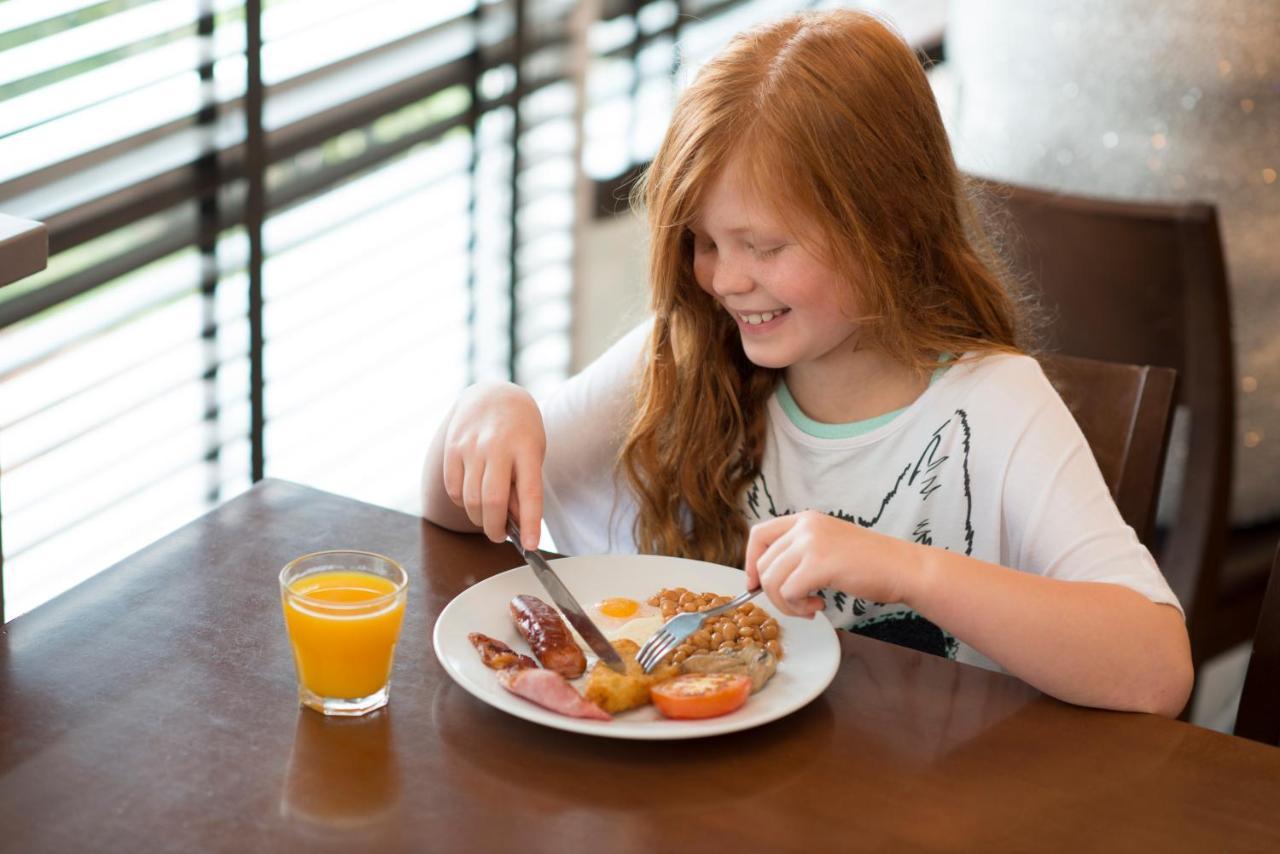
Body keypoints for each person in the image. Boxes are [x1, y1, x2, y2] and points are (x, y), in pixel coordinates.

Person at [422, 10, 1193, 717]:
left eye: (763, 246)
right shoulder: (685, 351)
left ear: (888, 228)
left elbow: (1157, 669)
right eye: (705, 241)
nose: (724, 279)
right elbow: (462, 512)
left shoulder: (993, 405)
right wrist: (487, 407)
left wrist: (909, 571)